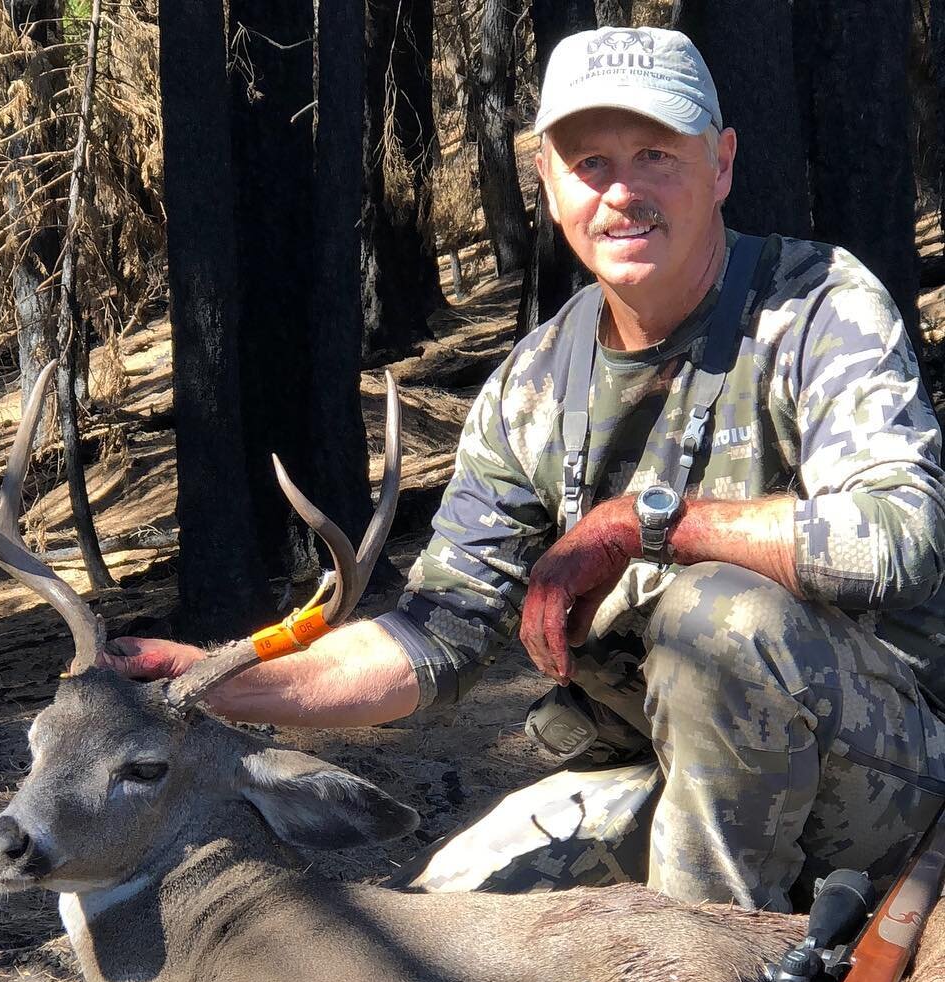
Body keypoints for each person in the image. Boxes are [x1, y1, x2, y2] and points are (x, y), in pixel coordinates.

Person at [102, 27, 945, 913]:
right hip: (661, 767)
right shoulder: (531, 388)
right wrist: (217, 679)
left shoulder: (819, 307)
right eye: (590, 164)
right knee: (446, 916)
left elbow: (898, 540)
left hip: (886, 776)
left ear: (722, 163)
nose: (623, 193)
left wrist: (639, 523)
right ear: (546, 182)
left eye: (656, 154)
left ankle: (713, 976)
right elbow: (437, 636)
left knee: (717, 615)